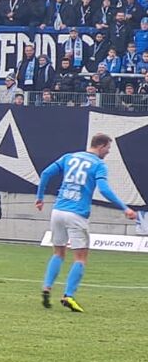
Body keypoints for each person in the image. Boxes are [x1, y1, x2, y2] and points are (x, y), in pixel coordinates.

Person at [34, 134, 136, 312]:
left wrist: (40, 198)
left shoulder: (69, 157)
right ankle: (68, 295)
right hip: (76, 213)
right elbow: (104, 189)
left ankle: (47, 287)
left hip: (58, 210)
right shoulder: (98, 165)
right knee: (80, 257)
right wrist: (124, 208)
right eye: (108, 148)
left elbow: (45, 173)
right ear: (101, 146)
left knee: (58, 253)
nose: (108, 152)